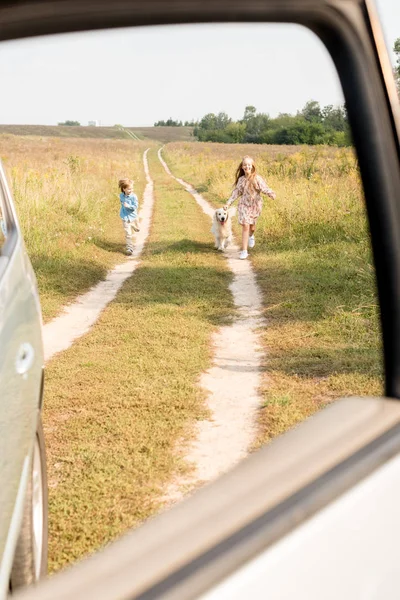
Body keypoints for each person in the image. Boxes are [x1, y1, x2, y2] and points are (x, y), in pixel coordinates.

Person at [224, 155, 276, 259]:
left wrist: (271, 193)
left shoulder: (257, 178)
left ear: (252, 166)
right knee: (246, 225)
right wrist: (228, 203)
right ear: (242, 167)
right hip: (244, 205)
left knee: (252, 227)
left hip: (255, 206)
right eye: (245, 165)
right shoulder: (241, 180)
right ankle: (244, 251)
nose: (247, 166)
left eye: (249, 164)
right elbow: (236, 192)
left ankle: (251, 236)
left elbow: (264, 188)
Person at [118, 178, 140, 255]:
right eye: (129, 189)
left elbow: (135, 206)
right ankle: (129, 248)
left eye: (132, 188)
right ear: (124, 189)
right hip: (125, 216)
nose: (131, 190)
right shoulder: (121, 196)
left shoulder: (134, 197)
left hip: (133, 217)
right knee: (128, 233)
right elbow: (121, 202)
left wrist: (128, 206)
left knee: (138, 228)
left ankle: (134, 226)